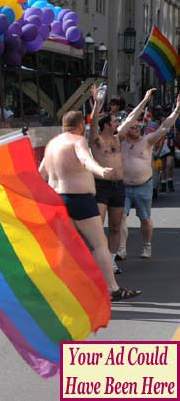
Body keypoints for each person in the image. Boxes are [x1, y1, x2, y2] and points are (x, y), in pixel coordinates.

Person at [39, 110, 141, 301]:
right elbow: (86, 160)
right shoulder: (77, 141)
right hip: (79, 199)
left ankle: (61, 289)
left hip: (57, 200)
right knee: (100, 244)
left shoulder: (52, 144)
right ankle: (112, 288)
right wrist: (101, 171)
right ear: (79, 126)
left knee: (65, 246)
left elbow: (40, 173)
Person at [89, 87, 155, 273]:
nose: (117, 121)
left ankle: (110, 260)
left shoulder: (118, 138)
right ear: (106, 125)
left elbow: (132, 117)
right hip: (101, 186)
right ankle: (98, 257)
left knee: (116, 226)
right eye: (113, 120)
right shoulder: (97, 140)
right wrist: (97, 104)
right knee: (98, 225)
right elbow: (93, 124)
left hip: (119, 186)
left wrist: (145, 99)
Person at [120, 94, 180, 259]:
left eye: (139, 127)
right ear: (126, 130)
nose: (137, 130)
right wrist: (144, 100)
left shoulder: (147, 141)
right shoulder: (119, 142)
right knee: (121, 217)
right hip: (123, 186)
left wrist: (176, 111)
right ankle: (122, 248)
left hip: (143, 186)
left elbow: (164, 128)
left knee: (145, 219)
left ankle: (147, 246)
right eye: (133, 127)